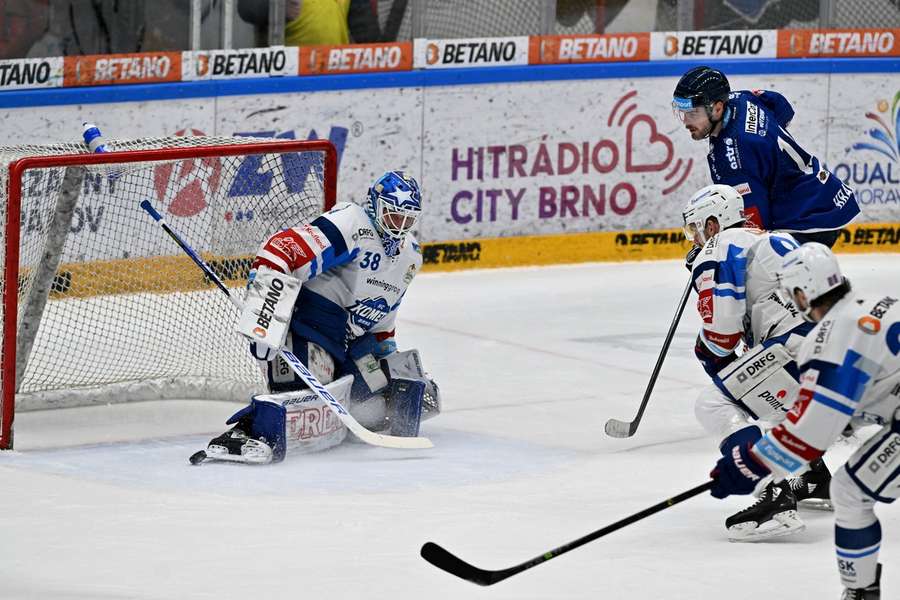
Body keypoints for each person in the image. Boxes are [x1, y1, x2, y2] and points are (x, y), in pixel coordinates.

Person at [199, 171, 441, 464]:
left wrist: (389, 363)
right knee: (308, 402)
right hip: (309, 327)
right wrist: (264, 319)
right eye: (392, 216)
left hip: (350, 342)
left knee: (378, 406)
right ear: (375, 205)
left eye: (407, 219)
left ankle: (339, 399)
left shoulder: (410, 256)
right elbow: (279, 250)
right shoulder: (352, 223)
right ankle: (249, 430)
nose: (398, 227)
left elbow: (383, 321)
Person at [711, 243, 898, 599]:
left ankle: (861, 593)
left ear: (801, 293)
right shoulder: (875, 302)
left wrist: (751, 464)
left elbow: (812, 431)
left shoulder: (827, 337)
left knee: (849, 492)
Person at [683, 183, 833, 541]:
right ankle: (815, 478)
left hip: (799, 348)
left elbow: (722, 334)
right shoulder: (767, 238)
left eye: (696, 229)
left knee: (714, 402)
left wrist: (705, 350)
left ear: (714, 224)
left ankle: (773, 495)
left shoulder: (718, 248)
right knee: (768, 395)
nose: (695, 239)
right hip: (839, 350)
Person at [672, 65, 859, 249]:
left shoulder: (732, 161)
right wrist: (767, 148)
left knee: (764, 273)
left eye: (693, 113)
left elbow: (754, 228)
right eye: (682, 113)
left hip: (805, 221)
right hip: (824, 194)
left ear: (718, 109)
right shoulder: (740, 98)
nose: (686, 121)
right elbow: (781, 105)